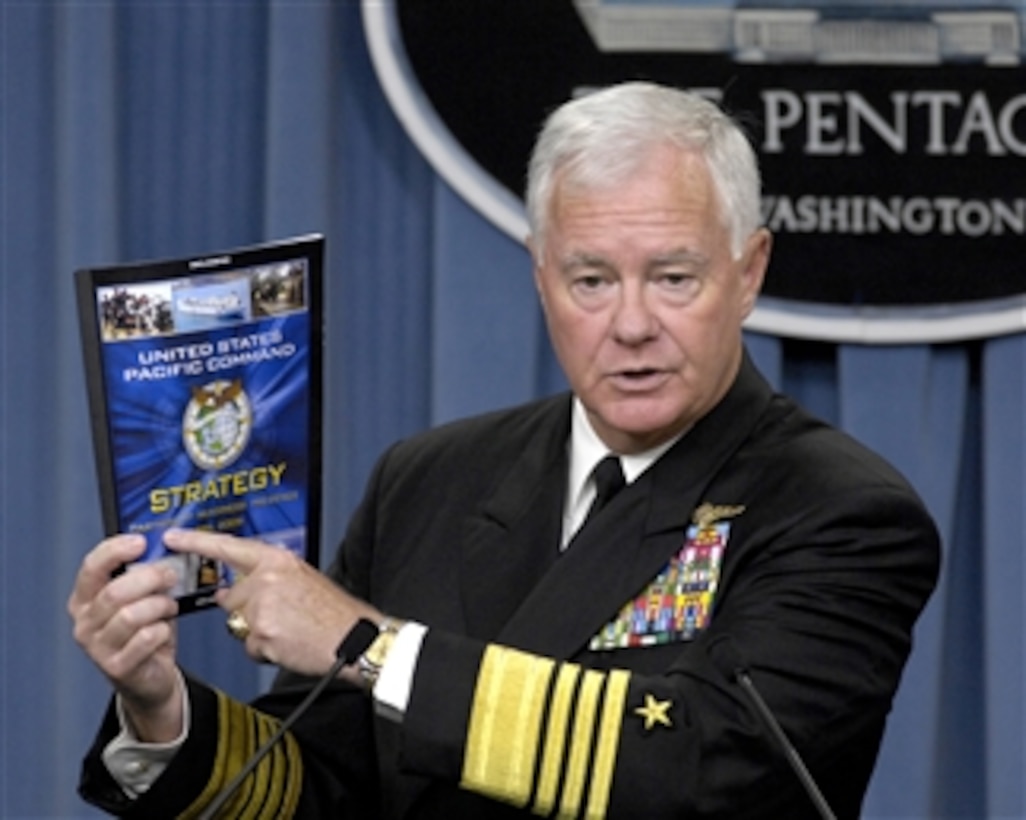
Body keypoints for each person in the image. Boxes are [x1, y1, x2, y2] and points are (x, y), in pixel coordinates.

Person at [69, 81, 940, 819]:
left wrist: (367, 644)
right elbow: (320, 782)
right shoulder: (429, 479)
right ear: (539, 274)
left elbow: (710, 765)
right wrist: (159, 709)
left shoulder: (842, 510)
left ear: (748, 273)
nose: (632, 324)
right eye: (591, 279)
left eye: (674, 277)